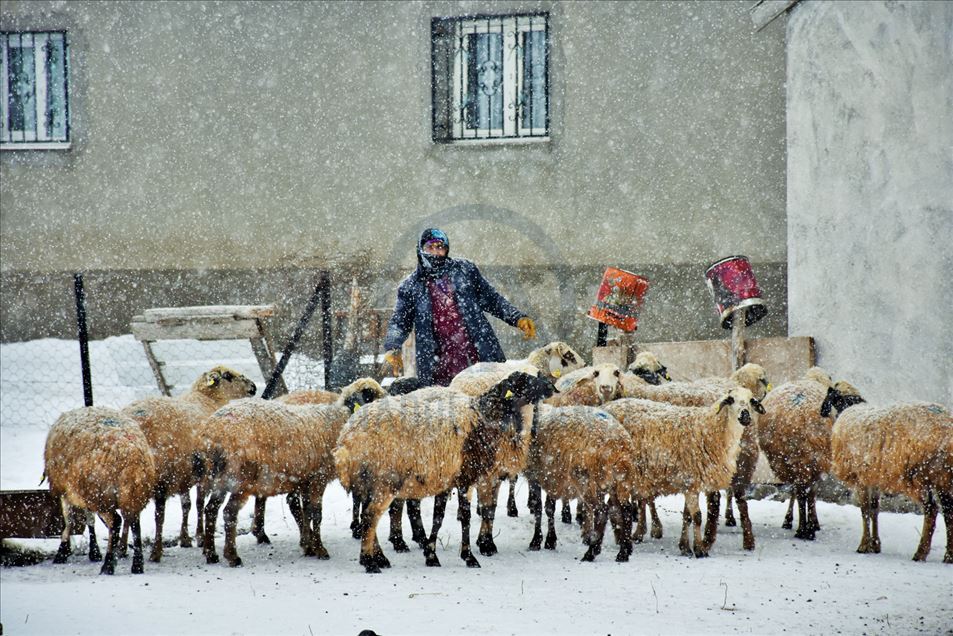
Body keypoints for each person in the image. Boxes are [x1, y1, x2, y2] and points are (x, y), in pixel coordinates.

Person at [383, 228, 536, 386]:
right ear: (421, 250)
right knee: (448, 405)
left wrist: (517, 318)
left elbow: (492, 299)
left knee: (492, 397)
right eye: (430, 247)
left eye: (440, 247)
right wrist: (392, 347)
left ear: (447, 249)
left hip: (478, 353)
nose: (435, 252)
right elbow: (399, 323)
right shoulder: (411, 287)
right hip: (439, 363)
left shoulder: (464, 271)